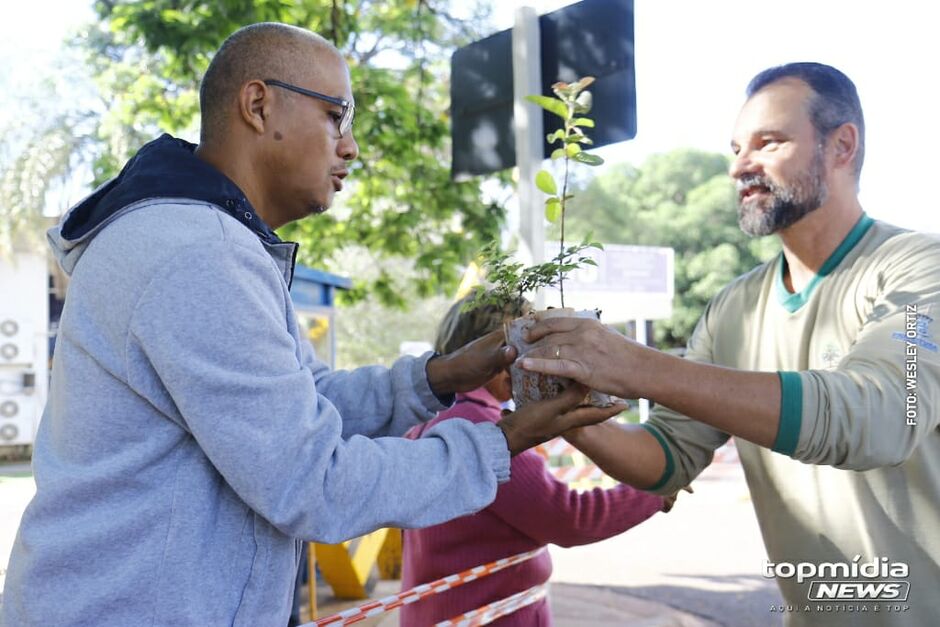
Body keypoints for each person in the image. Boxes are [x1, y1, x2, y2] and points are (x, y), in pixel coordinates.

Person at [0, 23, 624, 626]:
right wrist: (503, 440)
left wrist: (439, 377)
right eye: (337, 116)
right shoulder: (198, 251)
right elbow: (312, 481)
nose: (350, 146)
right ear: (258, 105)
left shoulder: (207, 239)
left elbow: (302, 405)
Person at [518, 62, 940, 626]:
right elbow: (668, 458)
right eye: (737, 147)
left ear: (842, 146)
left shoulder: (919, 272)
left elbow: (883, 417)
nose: (741, 165)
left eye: (770, 142)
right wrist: (569, 417)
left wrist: (634, 365)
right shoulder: (731, 309)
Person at [400, 294, 667, 626]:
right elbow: (571, 518)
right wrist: (656, 489)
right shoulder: (485, 429)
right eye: (536, 348)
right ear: (503, 352)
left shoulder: (436, 416)